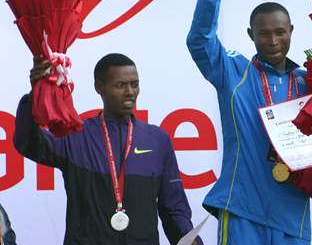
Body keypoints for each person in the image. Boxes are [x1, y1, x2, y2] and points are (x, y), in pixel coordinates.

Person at [187, 0, 312, 245]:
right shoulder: (233, 71)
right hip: (242, 209)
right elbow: (199, 41)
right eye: (264, 33)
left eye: (280, 33)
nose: (273, 41)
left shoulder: (309, 82)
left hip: (292, 214)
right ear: (250, 35)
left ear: (291, 32)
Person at [14, 53, 202, 245]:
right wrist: (34, 94)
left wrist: (190, 239)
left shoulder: (157, 140)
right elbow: (28, 142)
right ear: (99, 87)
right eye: (120, 85)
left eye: (134, 84)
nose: (130, 92)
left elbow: (173, 208)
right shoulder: (76, 135)